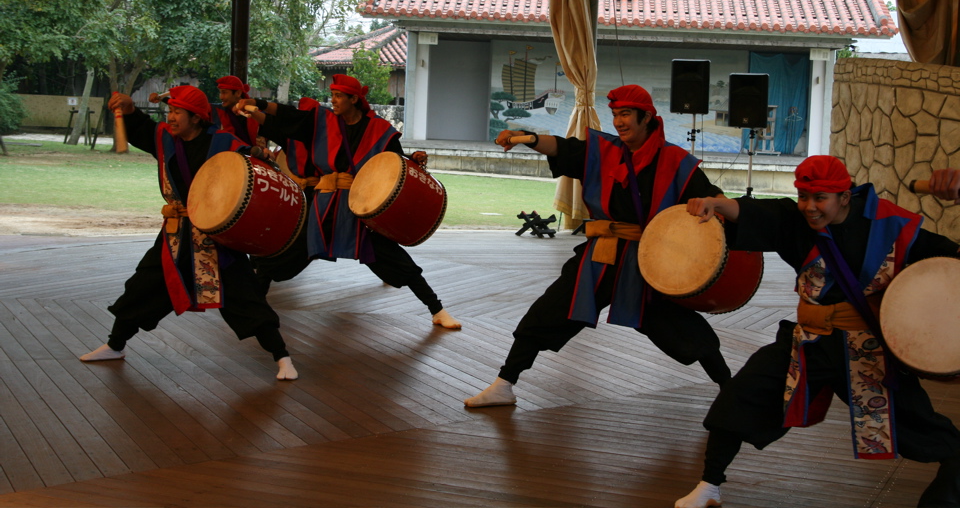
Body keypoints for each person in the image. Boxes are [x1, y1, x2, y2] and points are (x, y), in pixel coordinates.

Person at [675, 155, 960, 508]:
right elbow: (751, 212)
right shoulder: (795, 222)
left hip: (865, 351)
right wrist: (716, 202)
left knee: (927, 434)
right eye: (803, 196)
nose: (809, 207)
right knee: (740, 398)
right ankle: (708, 487)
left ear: (844, 195)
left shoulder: (892, 226)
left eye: (819, 198)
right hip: (807, 342)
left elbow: (949, 263)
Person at [464, 84, 731, 408]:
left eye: (626, 114)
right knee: (547, 312)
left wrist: (718, 205)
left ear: (647, 117)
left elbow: (709, 197)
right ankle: (504, 384)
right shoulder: (603, 151)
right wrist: (529, 138)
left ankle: (729, 387)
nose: (619, 121)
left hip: (649, 263)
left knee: (682, 329)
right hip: (600, 255)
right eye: (616, 114)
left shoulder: (675, 161)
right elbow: (564, 149)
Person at [79, 85, 299, 381]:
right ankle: (115, 345)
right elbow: (142, 127)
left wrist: (261, 154)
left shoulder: (222, 143)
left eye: (176, 112)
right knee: (143, 286)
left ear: (195, 117)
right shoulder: (165, 140)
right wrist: (130, 110)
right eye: (170, 111)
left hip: (217, 236)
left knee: (244, 296)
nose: (170, 118)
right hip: (176, 235)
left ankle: (282, 357)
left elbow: (252, 166)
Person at [236, 74, 461, 330]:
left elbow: (393, 162)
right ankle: (252, 308)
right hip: (322, 206)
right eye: (332, 95)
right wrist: (258, 105)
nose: (333, 101)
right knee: (280, 253)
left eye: (339, 96)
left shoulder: (379, 131)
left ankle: (437, 309)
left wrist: (412, 158)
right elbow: (288, 117)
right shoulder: (322, 122)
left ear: (354, 99)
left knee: (395, 259)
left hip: (360, 209)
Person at [212, 75, 259, 146]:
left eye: (224, 93)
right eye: (220, 92)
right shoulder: (216, 111)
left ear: (238, 93)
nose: (221, 97)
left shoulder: (255, 113)